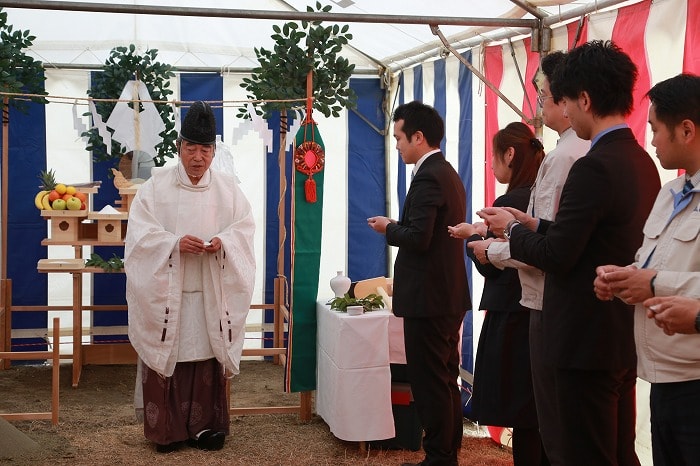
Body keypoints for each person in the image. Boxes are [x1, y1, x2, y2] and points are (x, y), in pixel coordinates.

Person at [477, 40, 661, 465]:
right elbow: (585, 235)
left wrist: (509, 233)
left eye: (562, 99)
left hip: (582, 337)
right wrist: (532, 224)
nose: (561, 110)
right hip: (615, 332)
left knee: (579, 449)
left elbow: (560, 254)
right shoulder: (639, 159)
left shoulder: (592, 164)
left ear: (584, 99)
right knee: (615, 447)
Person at [467, 51, 590, 465]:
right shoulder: (571, 156)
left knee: (543, 420)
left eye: (544, 95)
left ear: (573, 101)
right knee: (546, 420)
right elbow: (551, 234)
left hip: (539, 304)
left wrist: (496, 243)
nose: (540, 104)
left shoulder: (564, 159)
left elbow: (550, 248)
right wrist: (519, 228)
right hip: (547, 304)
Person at [125, 101, 256, 453]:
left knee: (207, 353)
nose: (198, 157)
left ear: (214, 151)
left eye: (205, 149)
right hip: (169, 290)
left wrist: (223, 242)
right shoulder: (156, 187)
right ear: (179, 148)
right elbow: (139, 236)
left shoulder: (228, 189)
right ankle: (166, 432)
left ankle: (206, 428)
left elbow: (244, 229)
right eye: (191, 148)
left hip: (211, 290)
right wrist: (173, 244)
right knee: (172, 352)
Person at [593, 73, 700, 465]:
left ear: (686, 129)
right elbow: (650, 262)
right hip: (662, 378)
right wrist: (623, 279)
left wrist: (652, 283)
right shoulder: (671, 192)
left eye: (655, 129)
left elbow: (657, 277)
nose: (651, 139)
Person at [367, 101, 470, 466]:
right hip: (445, 295)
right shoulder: (446, 172)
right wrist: (399, 225)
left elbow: (419, 237)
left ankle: (440, 455)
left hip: (430, 299)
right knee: (444, 380)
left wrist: (388, 228)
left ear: (418, 137)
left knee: (431, 383)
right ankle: (446, 452)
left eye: (399, 138)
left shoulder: (429, 175)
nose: (396, 145)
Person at [448, 122, 546, 465]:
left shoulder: (510, 201)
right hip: (541, 312)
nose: (491, 164)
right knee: (540, 410)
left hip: (513, 311)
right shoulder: (542, 194)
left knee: (524, 413)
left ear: (510, 154)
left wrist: (476, 246)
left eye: (494, 156)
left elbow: (496, 261)